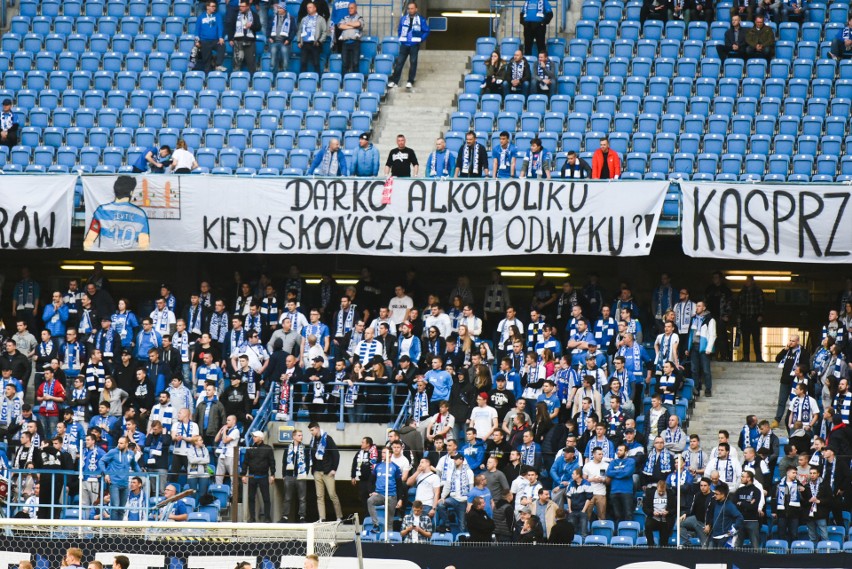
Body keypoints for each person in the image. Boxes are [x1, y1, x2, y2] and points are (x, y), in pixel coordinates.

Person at [84, 176, 150, 251]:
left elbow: (90, 239)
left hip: (106, 256)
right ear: (131, 192)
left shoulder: (102, 210)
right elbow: (144, 244)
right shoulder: (141, 214)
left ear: (115, 190)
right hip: (130, 257)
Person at [388, 2, 430, 89]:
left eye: (412, 8)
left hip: (414, 44)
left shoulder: (421, 19)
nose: (410, 10)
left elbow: (427, 31)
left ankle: (410, 81)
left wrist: (421, 39)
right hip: (404, 44)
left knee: (413, 62)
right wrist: (401, 37)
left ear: (416, 9)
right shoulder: (403, 19)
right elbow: (400, 29)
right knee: (399, 62)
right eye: (409, 8)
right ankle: (395, 81)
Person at [309, 422, 343, 521]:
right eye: (310, 431)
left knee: (332, 495)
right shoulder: (313, 441)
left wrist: (334, 469)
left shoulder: (327, 438)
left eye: (312, 430)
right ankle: (322, 517)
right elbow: (311, 455)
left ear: (318, 428)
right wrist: (312, 470)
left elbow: (336, 454)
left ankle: (339, 517)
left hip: (327, 472)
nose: (311, 432)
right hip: (317, 471)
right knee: (319, 496)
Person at [686, 300, 716, 397]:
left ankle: (708, 388)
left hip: (703, 347)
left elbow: (712, 335)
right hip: (694, 346)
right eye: (696, 306)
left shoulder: (710, 319)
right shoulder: (693, 319)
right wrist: (688, 348)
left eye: (699, 306)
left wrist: (709, 348)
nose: (697, 308)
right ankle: (696, 389)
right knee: (694, 369)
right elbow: (690, 334)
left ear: (704, 308)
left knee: (706, 369)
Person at [281, 428, 311, 523]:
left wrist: (305, 472)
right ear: (293, 436)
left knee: (302, 498)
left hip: (300, 476)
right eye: (299, 435)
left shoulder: (305, 448)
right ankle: (285, 517)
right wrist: (284, 475)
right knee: (287, 497)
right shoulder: (288, 448)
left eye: (301, 435)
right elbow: (284, 462)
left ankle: (302, 517)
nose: (301, 437)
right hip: (289, 476)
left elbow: (307, 461)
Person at [706, 482, 743, 549]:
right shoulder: (715, 503)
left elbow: (740, 517)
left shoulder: (729, 505)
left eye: (716, 494)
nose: (715, 495)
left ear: (723, 495)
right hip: (714, 535)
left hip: (724, 537)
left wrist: (734, 528)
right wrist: (709, 524)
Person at [230, 0, 261, 73]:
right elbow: (231, 27)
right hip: (238, 42)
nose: (241, 8)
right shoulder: (235, 15)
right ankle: (236, 81)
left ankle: (252, 81)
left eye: (243, 6)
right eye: (240, 6)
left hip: (250, 42)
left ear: (248, 6)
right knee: (237, 63)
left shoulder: (254, 15)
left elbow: (259, 27)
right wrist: (230, 38)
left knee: (251, 63)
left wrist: (251, 26)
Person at [195, 1, 226, 72]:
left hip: (215, 40)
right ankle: (207, 78)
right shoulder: (200, 17)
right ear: (207, 7)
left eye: (214, 6)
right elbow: (197, 31)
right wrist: (197, 41)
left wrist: (220, 37)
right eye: (212, 6)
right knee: (207, 62)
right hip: (204, 41)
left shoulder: (218, 15)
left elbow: (220, 27)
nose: (213, 8)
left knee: (222, 45)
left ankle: (218, 65)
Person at [298, 1, 328, 73]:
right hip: (305, 44)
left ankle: (317, 81)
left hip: (315, 44)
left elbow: (325, 32)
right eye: (307, 7)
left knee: (316, 63)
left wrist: (320, 42)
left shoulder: (321, 19)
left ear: (315, 8)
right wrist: (299, 41)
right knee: (303, 63)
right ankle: (302, 79)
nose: (308, 9)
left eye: (310, 7)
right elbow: (300, 30)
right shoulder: (304, 19)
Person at [644, 479, 675, 547]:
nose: (661, 493)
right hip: (653, 518)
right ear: (657, 488)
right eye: (659, 491)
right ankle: (651, 545)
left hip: (665, 519)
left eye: (663, 491)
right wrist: (652, 512)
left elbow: (674, 509)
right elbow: (645, 508)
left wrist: (668, 512)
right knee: (647, 526)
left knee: (664, 543)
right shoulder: (650, 494)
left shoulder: (670, 494)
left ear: (665, 488)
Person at [269, 2, 297, 73]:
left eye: (280, 8)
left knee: (285, 61)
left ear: (284, 9)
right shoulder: (273, 18)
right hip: (274, 42)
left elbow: (293, 31)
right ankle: (273, 77)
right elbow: (268, 28)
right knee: (272, 61)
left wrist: (289, 40)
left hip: (285, 42)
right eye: (278, 8)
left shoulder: (291, 18)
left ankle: (284, 76)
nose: (278, 10)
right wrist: (269, 37)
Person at [337, 2, 363, 75]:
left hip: (355, 43)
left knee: (355, 63)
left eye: (352, 8)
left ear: (355, 8)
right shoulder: (345, 17)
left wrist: (347, 24)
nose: (350, 9)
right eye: (349, 8)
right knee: (344, 64)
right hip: (345, 43)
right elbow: (340, 26)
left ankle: (356, 81)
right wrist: (352, 26)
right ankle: (343, 82)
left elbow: (358, 24)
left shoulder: (359, 17)